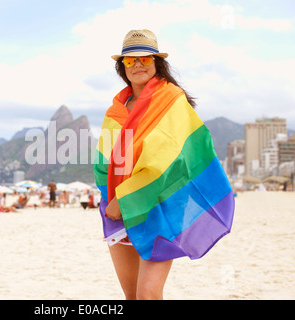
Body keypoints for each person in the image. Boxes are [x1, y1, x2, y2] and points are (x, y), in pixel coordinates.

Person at [93, 29, 234, 300]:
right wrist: (109, 201)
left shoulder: (171, 101)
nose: (137, 65)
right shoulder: (115, 111)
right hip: (117, 210)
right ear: (122, 67)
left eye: (145, 59)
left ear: (157, 62)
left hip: (159, 203)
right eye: (130, 60)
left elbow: (167, 160)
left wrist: (123, 198)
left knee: (148, 294)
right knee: (132, 296)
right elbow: (104, 161)